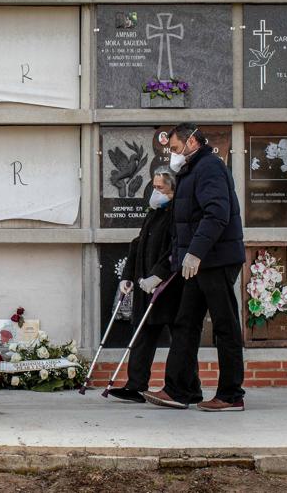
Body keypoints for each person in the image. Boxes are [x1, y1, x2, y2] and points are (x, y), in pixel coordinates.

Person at [143, 123, 247, 412]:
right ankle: (181, 390)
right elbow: (183, 227)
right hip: (197, 262)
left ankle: (230, 394)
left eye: (175, 148)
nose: (173, 155)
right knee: (185, 323)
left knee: (224, 326)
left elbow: (217, 213)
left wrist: (196, 253)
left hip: (216, 260)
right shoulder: (189, 171)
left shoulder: (210, 167)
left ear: (191, 142)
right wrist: (165, 269)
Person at [108, 168, 182, 403]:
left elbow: (175, 249)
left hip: (167, 288)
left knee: (180, 339)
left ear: (172, 188)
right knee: (141, 336)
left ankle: (182, 386)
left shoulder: (176, 214)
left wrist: (158, 275)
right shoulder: (154, 212)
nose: (155, 191)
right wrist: (128, 276)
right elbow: (138, 244)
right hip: (143, 285)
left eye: (160, 187)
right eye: (154, 186)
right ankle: (135, 385)